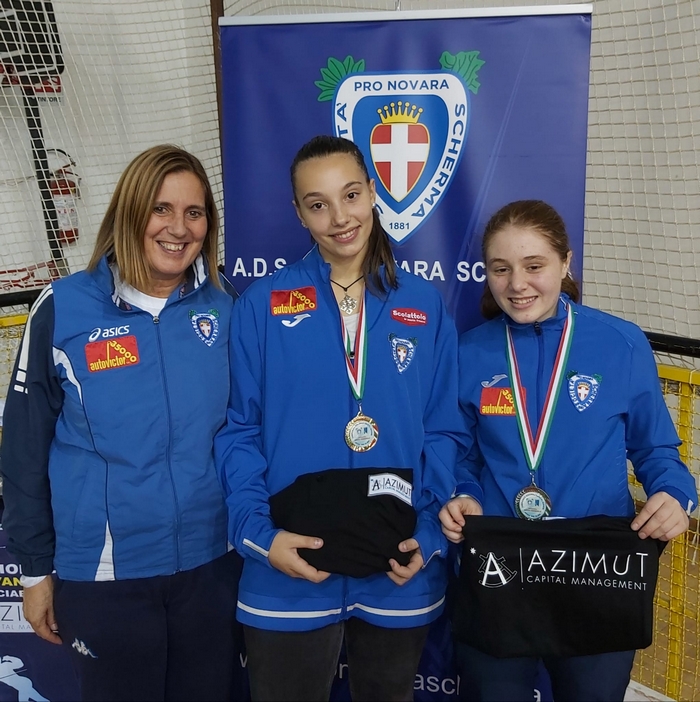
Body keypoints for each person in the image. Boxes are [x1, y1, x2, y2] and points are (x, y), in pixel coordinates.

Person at [215, 135, 462, 701]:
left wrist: (428, 533)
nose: (340, 218)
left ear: (373, 192)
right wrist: (260, 536)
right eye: (318, 204)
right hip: (288, 569)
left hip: (398, 566)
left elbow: (445, 430)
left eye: (351, 195)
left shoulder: (423, 304)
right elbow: (240, 432)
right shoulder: (261, 305)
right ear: (298, 213)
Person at [1, 145, 242, 702]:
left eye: (194, 212)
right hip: (105, 575)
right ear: (129, 212)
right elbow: (23, 450)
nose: (178, 228)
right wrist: (34, 572)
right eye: (161, 209)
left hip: (212, 564)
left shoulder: (226, 302)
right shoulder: (63, 308)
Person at [439, 199, 698, 702]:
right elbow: (460, 454)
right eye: (501, 269)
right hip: (500, 566)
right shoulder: (469, 352)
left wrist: (674, 492)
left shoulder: (620, 344)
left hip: (596, 569)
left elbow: (657, 450)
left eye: (534, 265)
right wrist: (463, 493)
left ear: (566, 262)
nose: (517, 284)